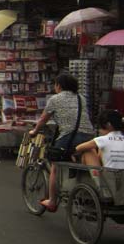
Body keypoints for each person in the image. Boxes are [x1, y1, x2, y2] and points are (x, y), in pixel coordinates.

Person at [29, 72, 94, 212]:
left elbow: (43, 120)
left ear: (59, 86)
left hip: (70, 136)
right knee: (80, 161)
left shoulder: (55, 99)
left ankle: (52, 201)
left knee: (55, 166)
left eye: (55, 84)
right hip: (89, 137)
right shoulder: (81, 98)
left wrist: (34, 132)